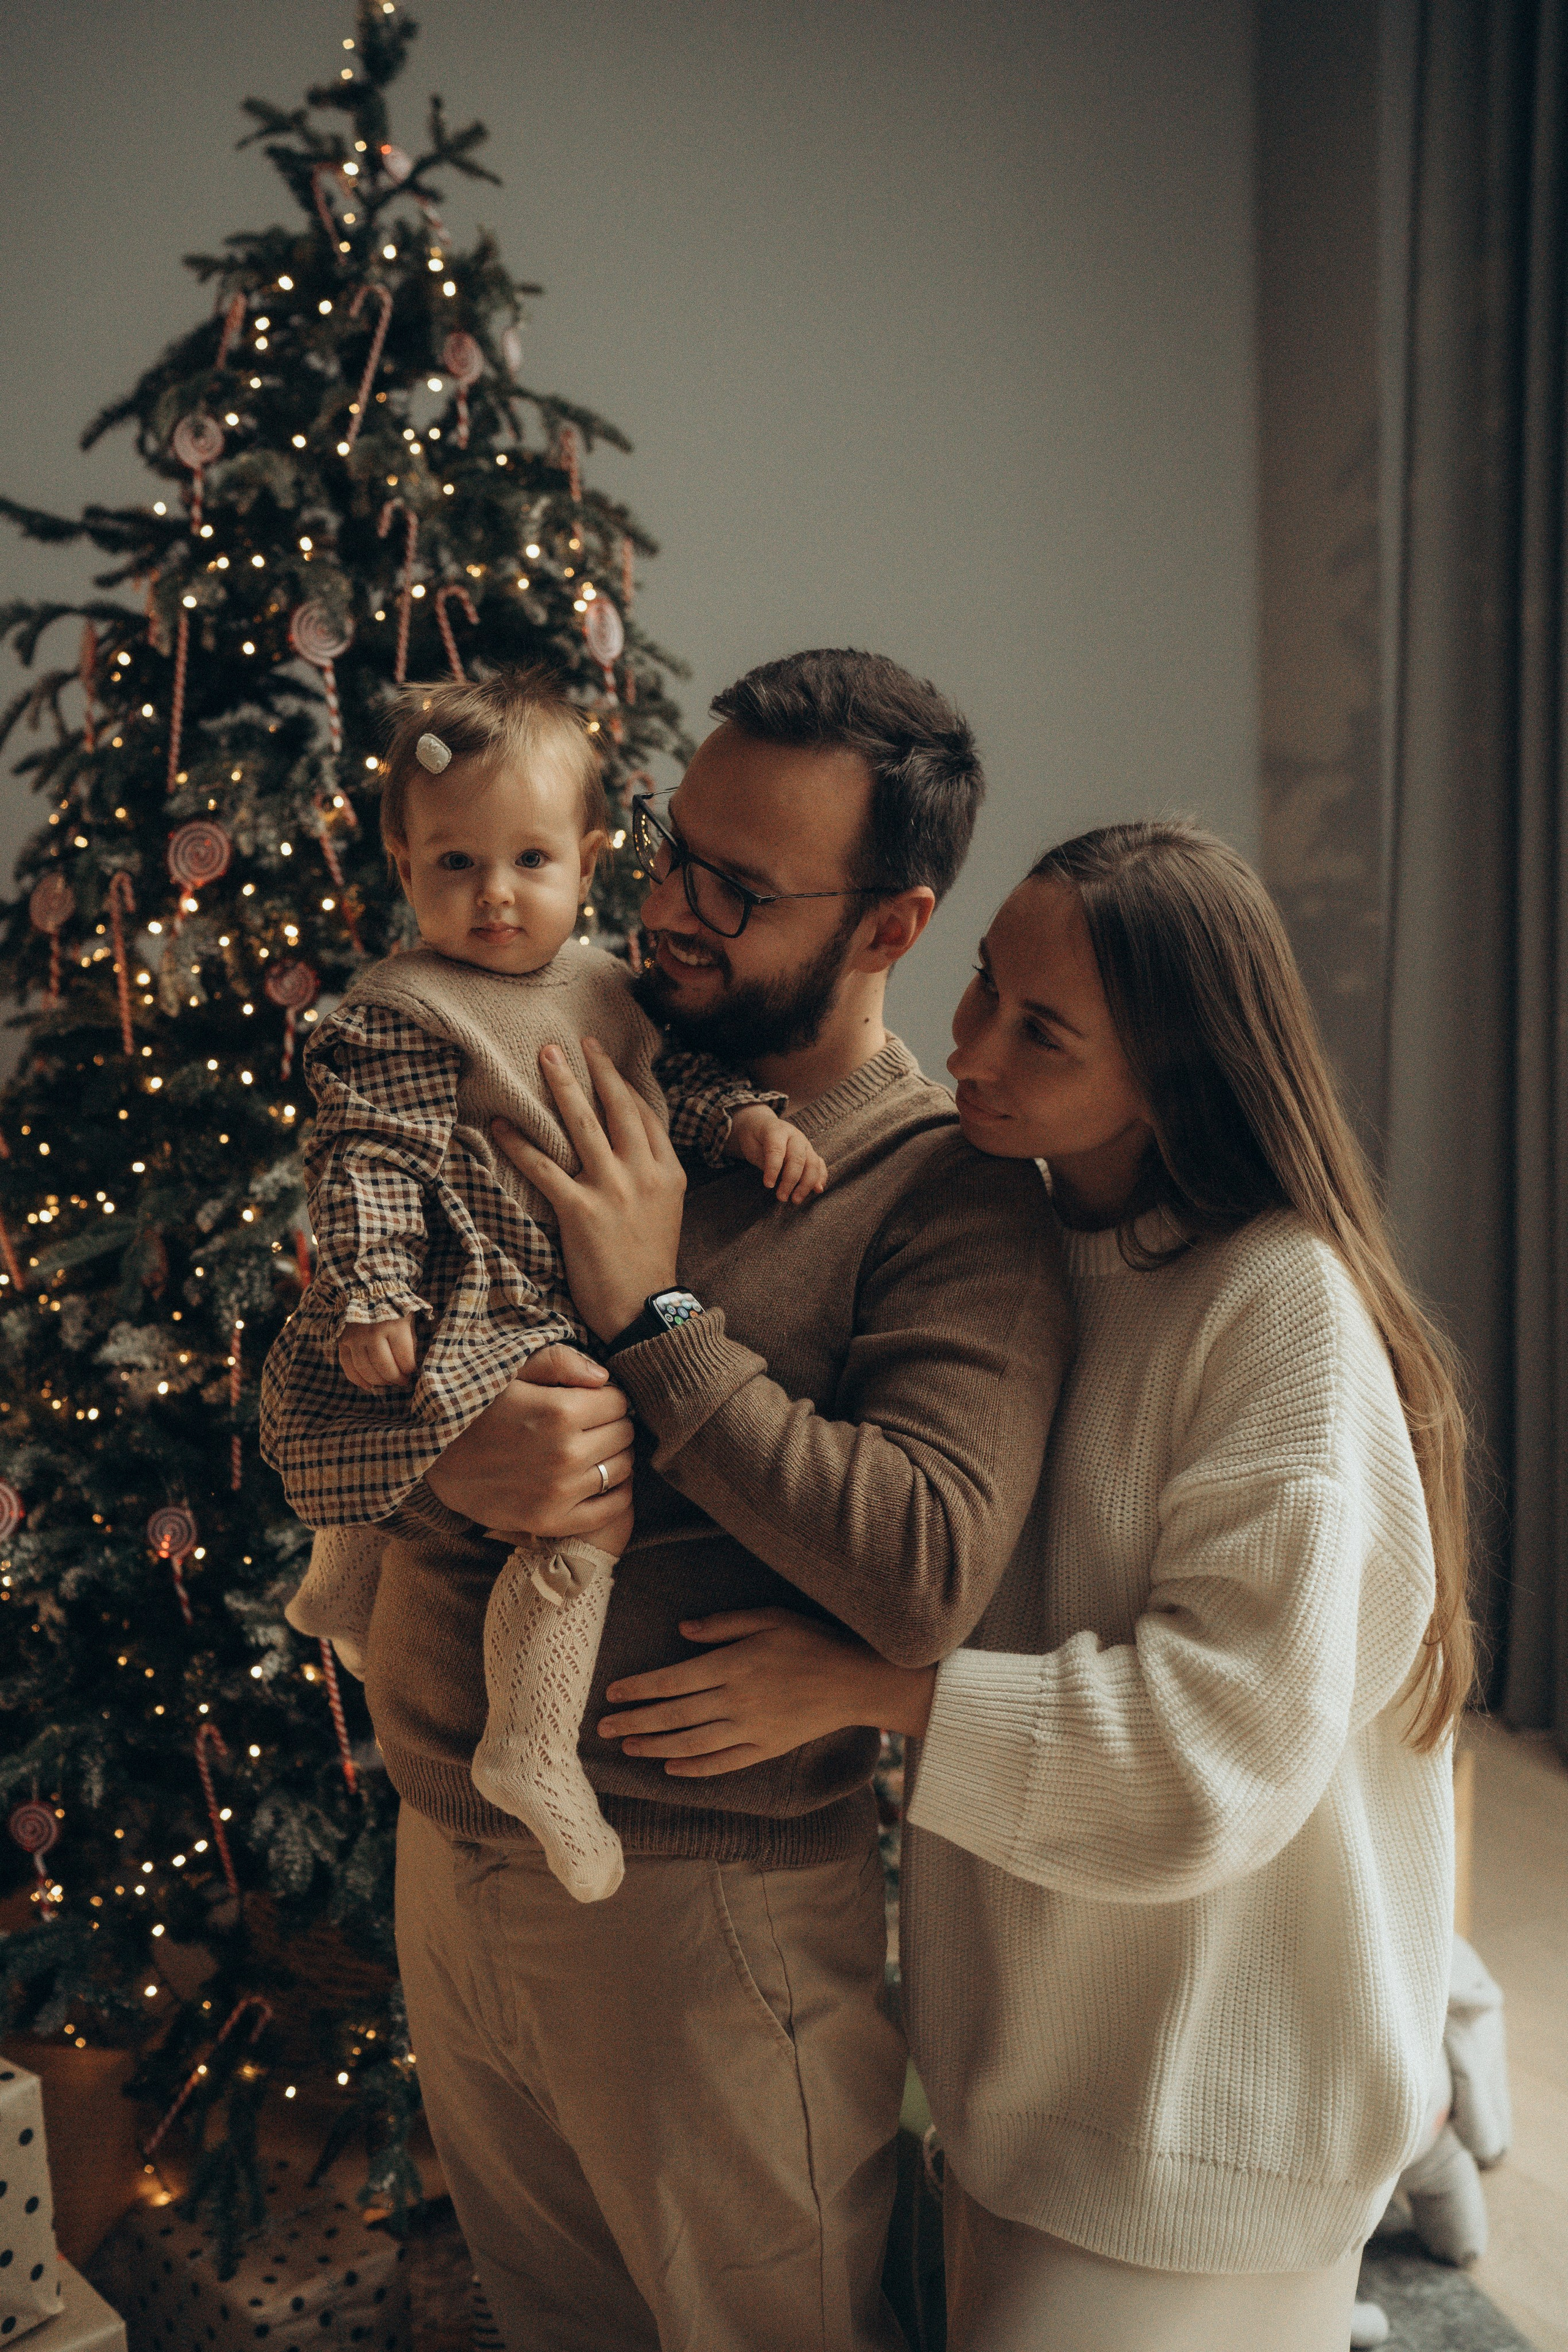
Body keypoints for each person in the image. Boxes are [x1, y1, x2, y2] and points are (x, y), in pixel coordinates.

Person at [277, 649, 1074, 2352]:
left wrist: (660, 1324)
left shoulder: (943, 1192)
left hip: (703, 1915)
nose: (668, 910)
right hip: (445, 1841)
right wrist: (438, 1434)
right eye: (668, 850)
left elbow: (919, 1569)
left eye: (739, 887)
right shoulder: (552, 1049)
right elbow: (296, 1382)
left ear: (890, 925)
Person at [598, 821, 1467, 2352]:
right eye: (984, 982)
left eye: (1037, 1029)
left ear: (1175, 1072)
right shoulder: (1018, 1234)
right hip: (1022, 2078)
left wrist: (873, 1692)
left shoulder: (1276, 1309)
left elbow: (1215, 1758)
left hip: (1204, 2117)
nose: (967, 1042)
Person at [262, 668, 821, 1905]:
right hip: (459, 1296)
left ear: (588, 856)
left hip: (550, 1292)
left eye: (527, 859)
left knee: (551, 1475)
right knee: (582, 1490)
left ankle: (387, 1614)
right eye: (455, 863)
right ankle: (528, 1740)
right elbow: (369, 1161)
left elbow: (674, 1086)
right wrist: (372, 1292)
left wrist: (747, 1129)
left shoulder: (613, 990)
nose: (495, 895)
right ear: (402, 861)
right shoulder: (406, 1009)